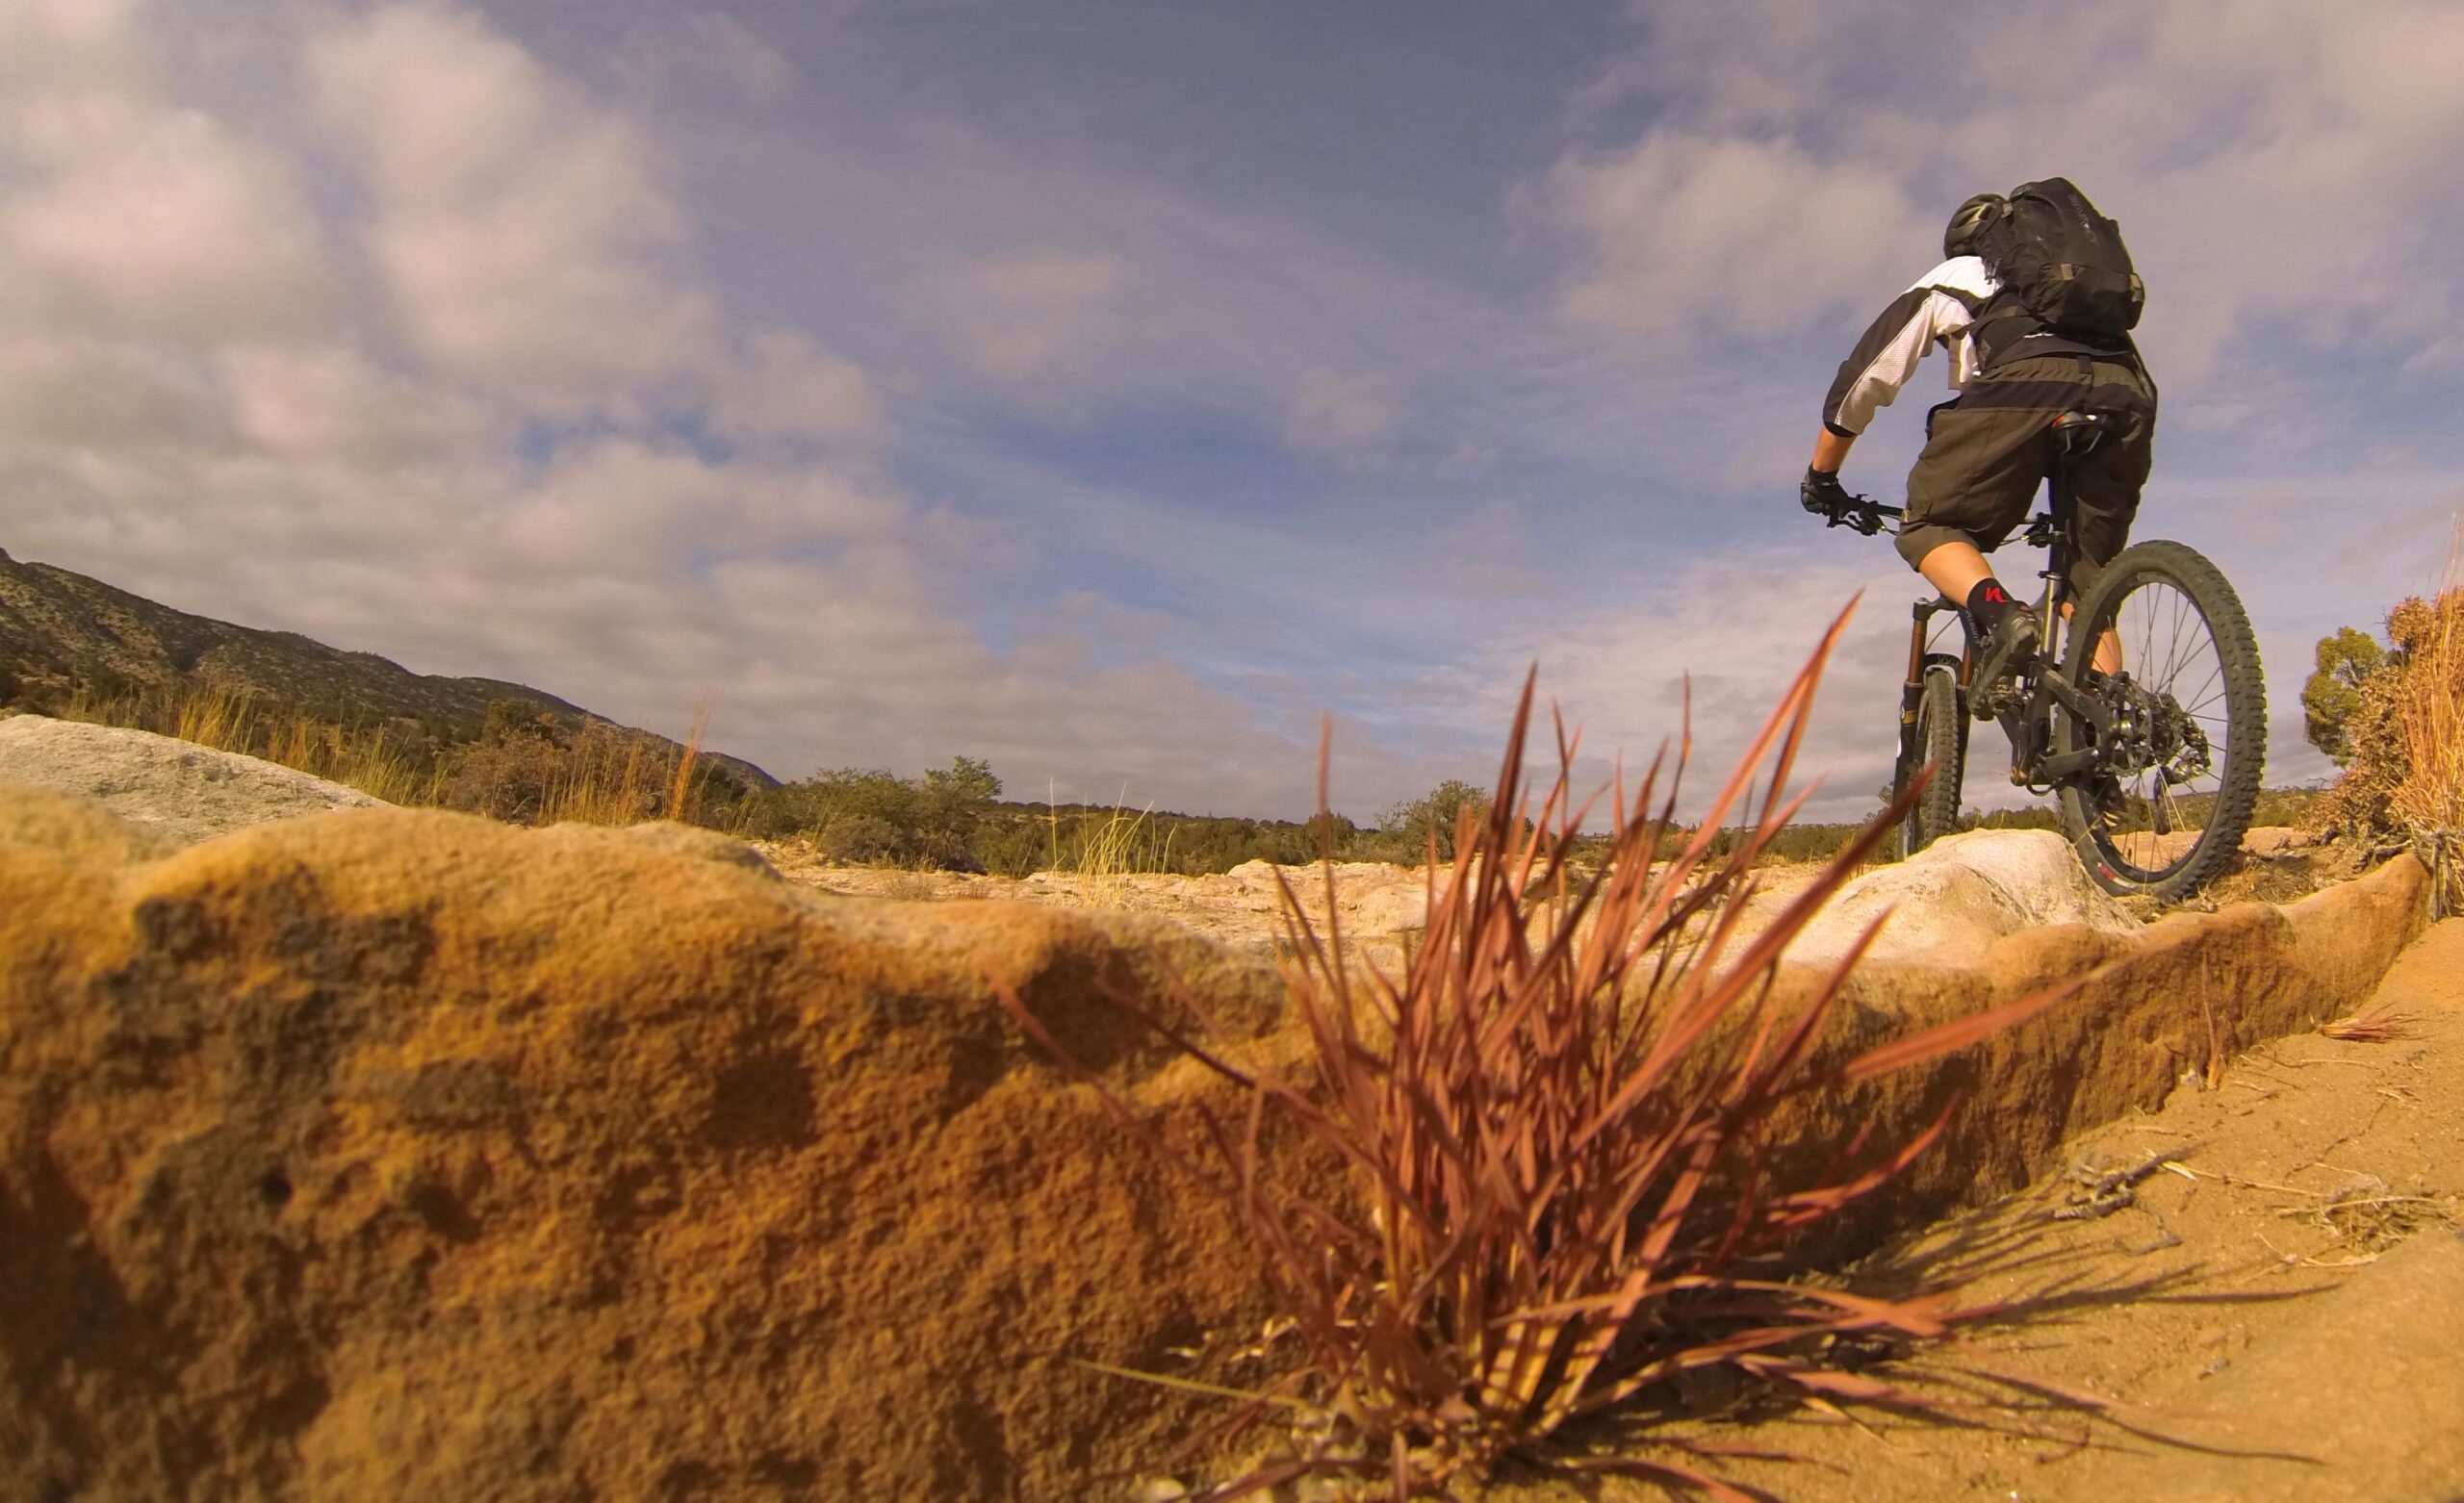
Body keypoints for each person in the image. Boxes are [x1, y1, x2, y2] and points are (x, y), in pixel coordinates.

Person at [1801, 191, 2157, 702]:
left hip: (2029, 384)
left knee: (1928, 526)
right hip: (2128, 393)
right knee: (2088, 591)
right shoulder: (2078, 290)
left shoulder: (1961, 274)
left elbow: (1868, 377)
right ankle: (2113, 724)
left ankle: (2002, 614)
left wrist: (1823, 476)